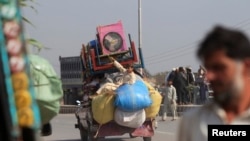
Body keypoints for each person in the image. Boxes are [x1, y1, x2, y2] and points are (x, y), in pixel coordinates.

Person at [177, 25, 250, 141]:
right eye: (208, 68)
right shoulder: (193, 121)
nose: (209, 76)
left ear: (246, 67)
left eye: (219, 68)